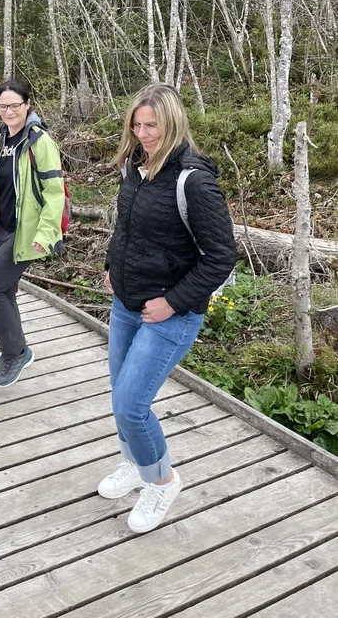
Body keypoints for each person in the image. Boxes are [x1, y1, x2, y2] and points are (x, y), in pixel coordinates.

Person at [100, 83, 235, 533]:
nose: (142, 133)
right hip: (126, 301)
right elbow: (127, 230)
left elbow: (221, 256)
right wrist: (111, 268)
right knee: (122, 397)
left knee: (131, 405)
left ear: (172, 122)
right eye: (136, 124)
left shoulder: (192, 180)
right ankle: (136, 464)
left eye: (151, 125)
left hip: (170, 314)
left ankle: (162, 480)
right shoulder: (135, 166)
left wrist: (173, 302)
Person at [0, 79, 65, 388]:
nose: (10, 111)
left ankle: (17, 352)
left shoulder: (40, 142)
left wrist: (45, 233)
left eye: (15, 105)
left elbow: (55, 193)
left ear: (28, 104)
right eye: (4, 106)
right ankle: (12, 349)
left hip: (26, 231)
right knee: (4, 291)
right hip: (1, 228)